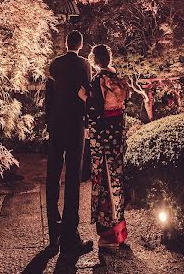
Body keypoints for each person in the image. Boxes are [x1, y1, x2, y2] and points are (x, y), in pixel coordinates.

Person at [45, 30, 93, 257]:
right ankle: (70, 236)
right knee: (73, 178)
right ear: (80, 45)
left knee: (53, 175)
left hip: (56, 125)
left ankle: (53, 235)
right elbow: (88, 93)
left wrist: (49, 123)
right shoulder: (84, 65)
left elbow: (48, 97)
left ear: (66, 44)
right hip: (74, 126)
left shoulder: (54, 65)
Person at [88, 44, 129, 250]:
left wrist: (83, 97)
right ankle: (120, 232)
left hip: (103, 137)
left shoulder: (97, 81)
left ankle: (107, 235)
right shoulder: (118, 79)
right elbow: (122, 108)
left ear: (94, 59)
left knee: (103, 179)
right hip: (117, 136)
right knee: (117, 178)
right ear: (109, 59)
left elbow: (93, 112)